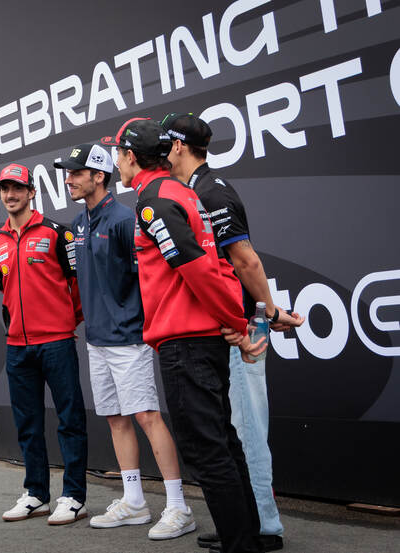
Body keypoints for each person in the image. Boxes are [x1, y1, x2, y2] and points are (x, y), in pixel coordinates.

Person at [106, 118, 266, 553]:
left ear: (131, 157)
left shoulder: (154, 200)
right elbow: (216, 267)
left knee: (208, 451)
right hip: (199, 340)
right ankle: (249, 535)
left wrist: (235, 322)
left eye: (118, 154)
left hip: (186, 344)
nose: (116, 163)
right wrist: (232, 319)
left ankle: (242, 545)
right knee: (223, 444)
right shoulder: (182, 193)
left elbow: (197, 268)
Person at [161, 113, 305, 552]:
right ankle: (245, 523)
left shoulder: (210, 191)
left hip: (241, 329)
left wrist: (266, 312)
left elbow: (246, 261)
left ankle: (263, 528)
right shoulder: (192, 192)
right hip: (226, 329)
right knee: (232, 429)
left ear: (180, 147)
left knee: (245, 431)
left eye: (166, 145)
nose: (161, 154)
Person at [58, 144, 194, 539]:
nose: (69, 179)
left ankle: (178, 506)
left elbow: (146, 280)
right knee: (116, 420)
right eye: (68, 173)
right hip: (97, 340)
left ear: (99, 176)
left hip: (129, 339)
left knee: (147, 416)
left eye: (76, 172)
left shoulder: (124, 219)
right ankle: (134, 502)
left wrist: (139, 325)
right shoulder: (78, 224)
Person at [0, 163, 89, 526]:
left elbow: (76, 288)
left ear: (32, 192)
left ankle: (74, 496)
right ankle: (36, 494)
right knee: (27, 423)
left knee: (69, 421)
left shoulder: (57, 234)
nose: (10, 195)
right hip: (17, 346)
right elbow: (5, 292)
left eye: (17, 188)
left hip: (57, 342)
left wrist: (63, 323)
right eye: (4, 189)